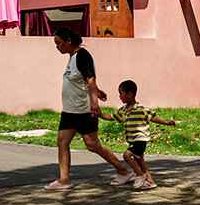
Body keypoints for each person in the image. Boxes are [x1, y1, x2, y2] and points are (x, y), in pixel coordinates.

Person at [45, 26, 133, 191]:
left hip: (83, 111)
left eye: (58, 43)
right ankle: (64, 180)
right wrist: (97, 91)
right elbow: (83, 79)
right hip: (70, 111)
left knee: (93, 145)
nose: (57, 46)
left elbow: (90, 79)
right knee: (62, 142)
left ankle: (123, 170)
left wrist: (94, 103)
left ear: (69, 41)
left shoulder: (82, 55)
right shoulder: (72, 57)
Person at [98, 79, 176, 190]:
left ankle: (139, 174)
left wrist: (166, 122)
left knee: (126, 155)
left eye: (121, 94)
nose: (120, 97)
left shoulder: (141, 109)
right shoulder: (123, 110)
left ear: (130, 94)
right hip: (133, 140)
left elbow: (153, 118)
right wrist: (100, 115)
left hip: (141, 139)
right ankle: (150, 182)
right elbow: (111, 117)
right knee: (140, 160)